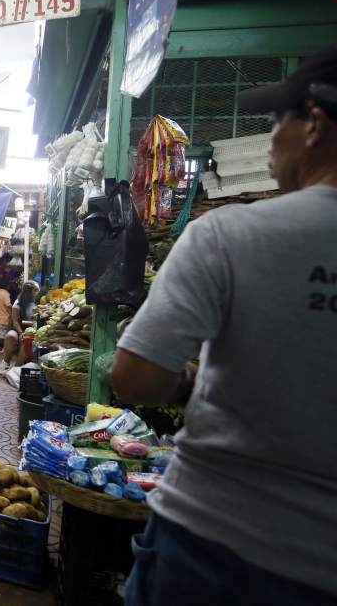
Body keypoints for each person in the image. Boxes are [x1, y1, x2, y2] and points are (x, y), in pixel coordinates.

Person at [113, 45, 337, 605]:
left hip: (212, 544)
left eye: (275, 123)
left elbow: (136, 376)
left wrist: (189, 384)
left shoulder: (231, 235)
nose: (269, 145)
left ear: (314, 125)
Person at [0, 280, 38, 372]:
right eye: (35, 290)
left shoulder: (37, 303)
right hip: (17, 329)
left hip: (31, 330)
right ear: (29, 291)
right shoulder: (18, 303)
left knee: (27, 341)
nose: (37, 292)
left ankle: (16, 368)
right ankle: (5, 363)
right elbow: (15, 321)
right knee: (10, 336)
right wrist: (21, 332)